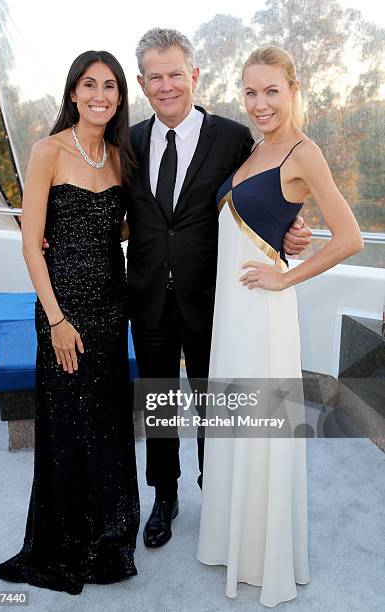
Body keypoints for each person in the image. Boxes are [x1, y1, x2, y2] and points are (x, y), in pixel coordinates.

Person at [126, 28, 311, 549]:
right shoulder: (131, 141)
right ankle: (165, 497)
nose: (166, 86)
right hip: (148, 297)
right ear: (142, 83)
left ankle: (218, 493)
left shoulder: (234, 139)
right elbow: (118, 211)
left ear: (195, 76)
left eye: (175, 74)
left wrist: (291, 231)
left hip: (214, 300)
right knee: (158, 403)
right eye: (155, 77)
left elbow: (266, 192)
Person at [197, 45, 364, 607]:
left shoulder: (303, 151)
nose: (260, 102)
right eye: (250, 91)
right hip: (232, 316)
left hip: (264, 316)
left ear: (293, 90)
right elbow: (266, 222)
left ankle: (263, 557)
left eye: (271, 90)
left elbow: (350, 237)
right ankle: (231, 543)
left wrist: (284, 279)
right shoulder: (254, 147)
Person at [0, 51, 139, 595]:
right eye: (89, 84)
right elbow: (30, 244)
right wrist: (56, 319)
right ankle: (65, 541)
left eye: (110, 86)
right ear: (73, 93)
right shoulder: (47, 151)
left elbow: (121, 227)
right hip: (63, 310)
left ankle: (108, 534)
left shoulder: (123, 156)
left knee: (104, 421)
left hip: (110, 305)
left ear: (120, 97)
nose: (100, 94)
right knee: (67, 425)